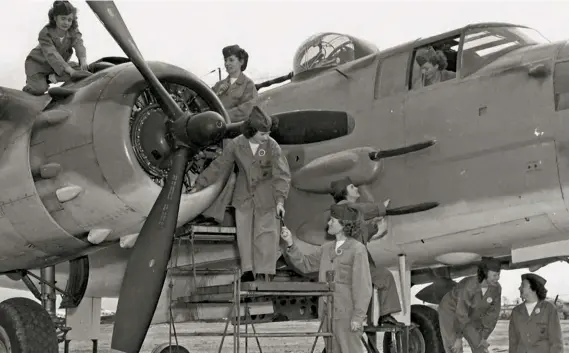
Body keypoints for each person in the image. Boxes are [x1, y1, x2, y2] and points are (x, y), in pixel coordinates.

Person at [192, 105, 291, 282]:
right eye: (263, 134)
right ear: (251, 131)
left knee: (266, 233)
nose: (266, 137)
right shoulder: (237, 144)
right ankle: (248, 270)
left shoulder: (272, 146)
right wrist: (200, 184)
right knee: (244, 234)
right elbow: (220, 165)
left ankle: (265, 271)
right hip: (244, 195)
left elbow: (282, 174)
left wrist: (280, 201)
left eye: (268, 133)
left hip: (267, 196)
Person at [281, 203, 373, 353]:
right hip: (327, 314)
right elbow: (306, 264)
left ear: (343, 225)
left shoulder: (357, 250)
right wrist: (290, 242)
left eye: (332, 220)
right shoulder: (326, 248)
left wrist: (358, 316)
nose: (328, 223)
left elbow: (363, 286)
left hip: (346, 315)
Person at [329, 177, 402, 326]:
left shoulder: (354, 214)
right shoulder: (341, 209)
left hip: (360, 259)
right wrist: (381, 207)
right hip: (348, 261)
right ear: (345, 193)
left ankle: (385, 316)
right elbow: (359, 210)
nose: (356, 188)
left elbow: (361, 233)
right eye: (352, 187)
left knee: (384, 277)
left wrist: (375, 225)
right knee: (379, 279)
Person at [23, 1, 91, 96]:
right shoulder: (45, 33)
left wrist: (83, 61)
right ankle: (32, 84)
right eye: (63, 18)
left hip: (57, 67)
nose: (66, 23)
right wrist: (71, 72)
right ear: (55, 18)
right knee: (39, 90)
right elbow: (52, 54)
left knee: (81, 73)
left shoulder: (73, 30)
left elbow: (79, 44)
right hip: (38, 65)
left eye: (69, 20)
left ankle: (50, 78)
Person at [437, 257, 502, 353]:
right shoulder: (470, 286)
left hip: (470, 314)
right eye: (494, 275)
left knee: (481, 347)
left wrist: (483, 337)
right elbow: (461, 313)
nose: (497, 278)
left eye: (498, 275)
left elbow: (492, 315)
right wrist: (458, 337)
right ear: (484, 273)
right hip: (451, 310)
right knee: (455, 348)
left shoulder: (496, 288)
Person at [508, 273, 563, 353]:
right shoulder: (516, 311)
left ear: (533, 288)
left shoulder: (549, 309)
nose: (519, 288)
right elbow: (513, 342)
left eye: (522, 285)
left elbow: (556, 342)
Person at [212, 45, 258, 123]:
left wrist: (220, 116)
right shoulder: (218, 85)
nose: (227, 63)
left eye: (231, 60)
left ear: (241, 62)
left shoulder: (248, 85)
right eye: (225, 60)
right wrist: (217, 94)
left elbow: (246, 111)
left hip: (235, 130)